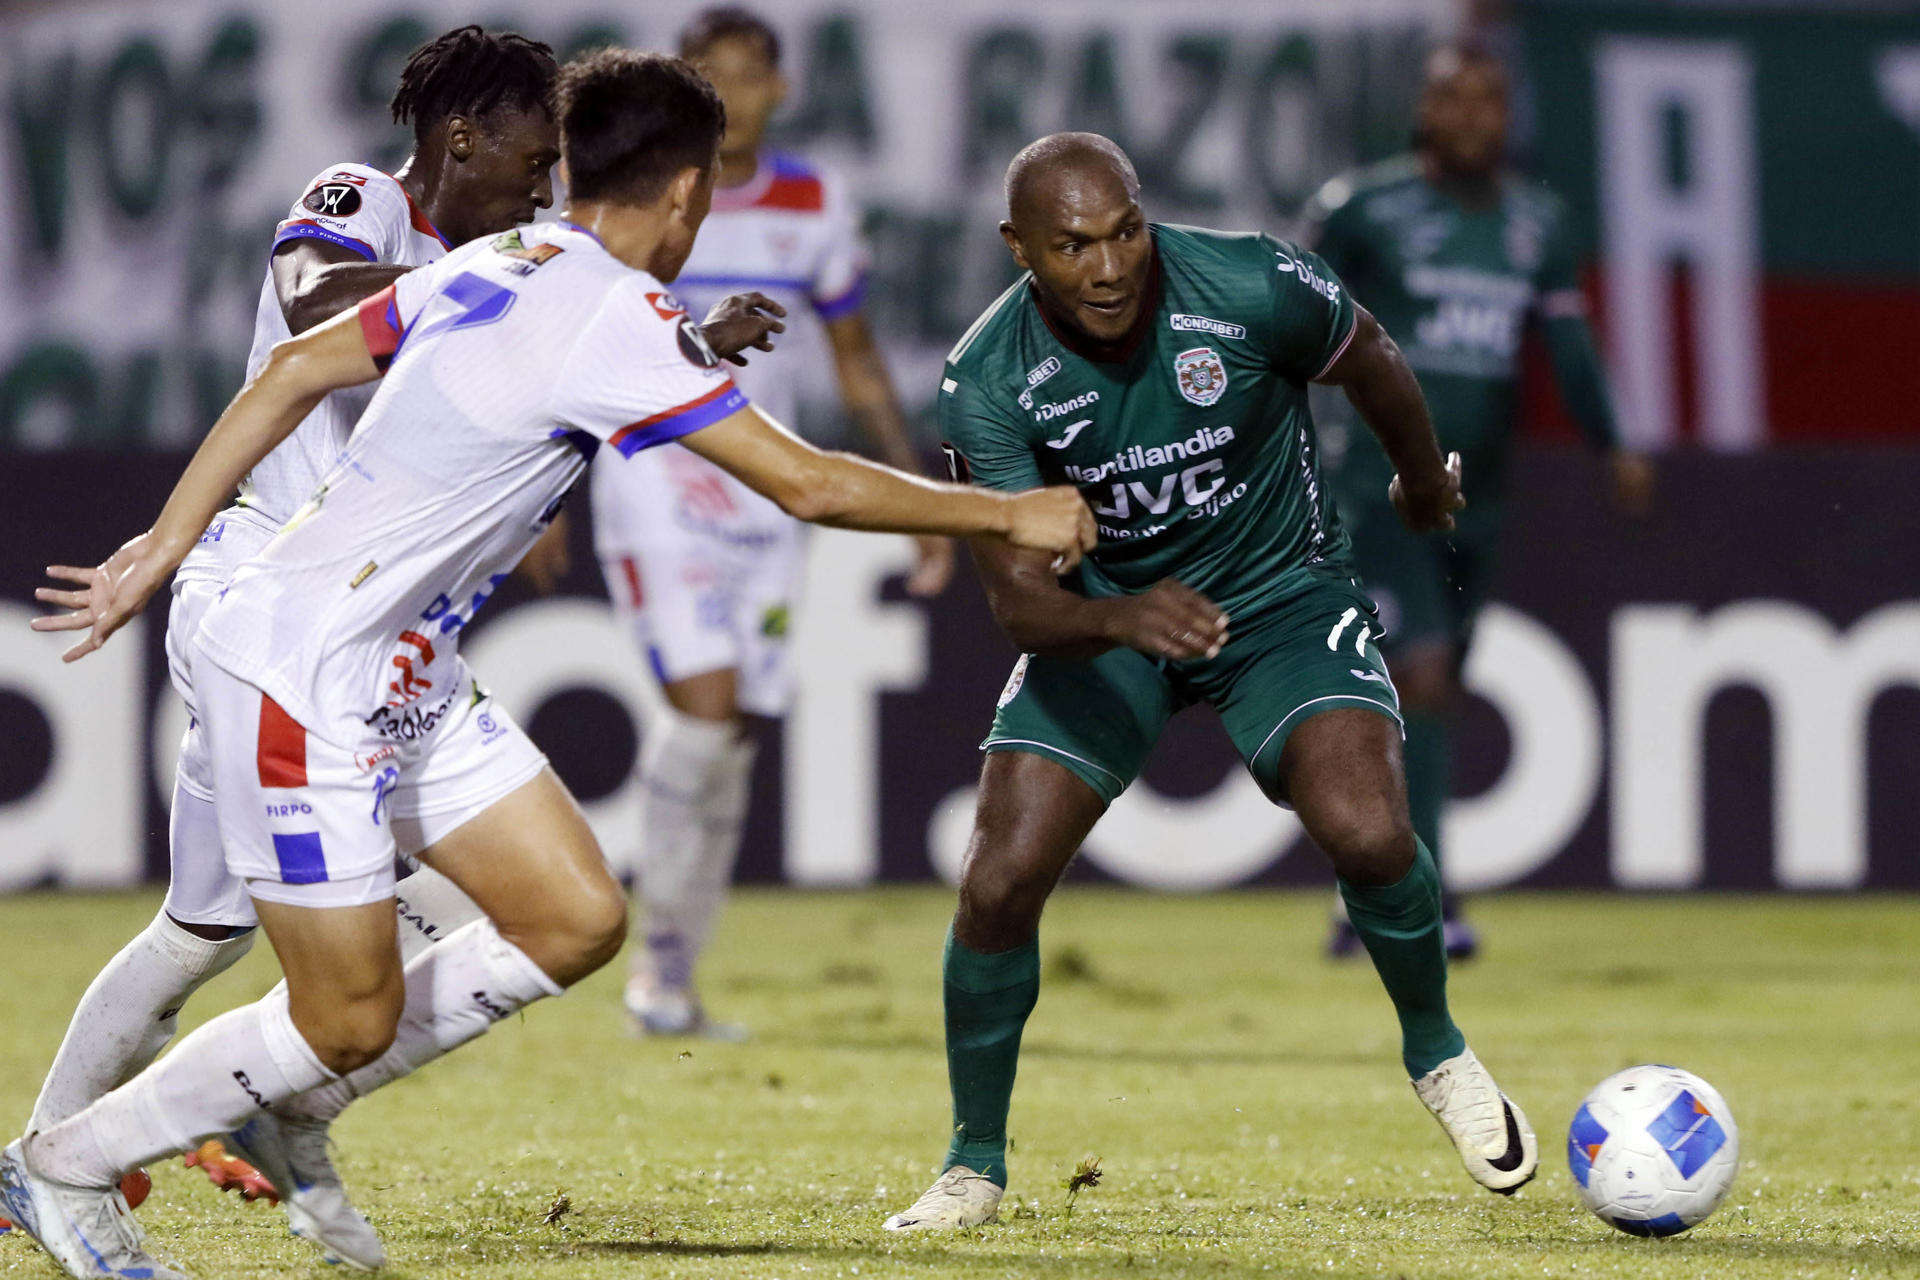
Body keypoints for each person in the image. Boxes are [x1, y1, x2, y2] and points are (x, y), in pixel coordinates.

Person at [4, 51, 1094, 1280]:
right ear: (686, 194)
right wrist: (1011, 515)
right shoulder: (580, 298)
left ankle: (282, 1092)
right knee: (335, 1007)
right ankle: (67, 1163)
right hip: (307, 668)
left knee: (573, 914)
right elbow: (809, 484)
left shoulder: (505, 262)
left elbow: (300, 366)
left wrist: (163, 543)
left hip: (402, 665)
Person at [881, 132, 1538, 1233]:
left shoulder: (1248, 282)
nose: (1109, 267)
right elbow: (1016, 605)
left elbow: (1366, 351)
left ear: (1148, 215)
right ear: (1019, 249)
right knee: (997, 880)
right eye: (1074, 245)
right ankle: (972, 1162)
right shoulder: (988, 380)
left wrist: (1422, 482)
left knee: (1372, 832)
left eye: (1126, 231)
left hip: (1280, 595)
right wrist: (1119, 614)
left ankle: (1439, 1051)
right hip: (1107, 623)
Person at [8, 24, 564, 1265]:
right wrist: (492, 276)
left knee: (205, 925)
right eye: (536, 157)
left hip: (351, 622)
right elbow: (317, 302)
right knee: (482, 891)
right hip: (271, 608)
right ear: (460, 136)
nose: (548, 188)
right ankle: (138, 1137)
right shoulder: (363, 200)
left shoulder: (500, 263)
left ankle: (90, 1141)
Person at [586, 5, 954, 1037]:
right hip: (653, 475)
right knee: (707, 709)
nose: (735, 92)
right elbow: (579, 344)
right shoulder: (638, 192)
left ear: (779, 89)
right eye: (713, 73)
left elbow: (856, 360)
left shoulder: (813, 201)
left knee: (736, 727)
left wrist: (911, 490)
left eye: (751, 74)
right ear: (685, 84)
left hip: (765, 492)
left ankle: (676, 974)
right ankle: (650, 971)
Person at [1304, 42, 1652, 960]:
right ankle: (1420, 902)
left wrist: (1611, 441)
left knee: (1432, 692)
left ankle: (1367, 898)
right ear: (1424, 110)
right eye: (1451, 99)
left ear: (1508, 117)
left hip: (1481, 495)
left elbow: (1567, 349)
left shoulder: (1539, 225)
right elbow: (1287, 328)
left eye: (1487, 100)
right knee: (1418, 676)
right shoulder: (1361, 212)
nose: (1468, 116)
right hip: (1376, 483)